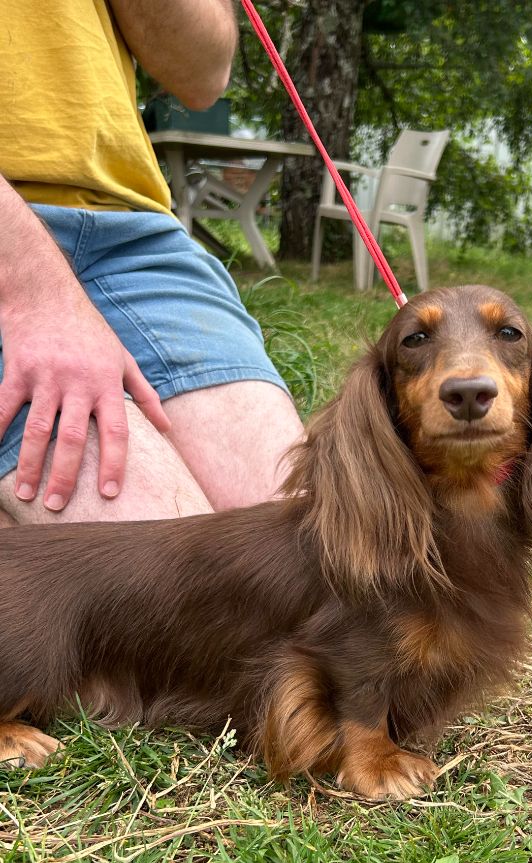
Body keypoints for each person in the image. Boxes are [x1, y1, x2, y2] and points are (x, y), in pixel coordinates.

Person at [0, 0, 304, 529]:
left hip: (132, 231)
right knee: (183, 592)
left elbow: (204, 74)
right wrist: (34, 295)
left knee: (324, 562)